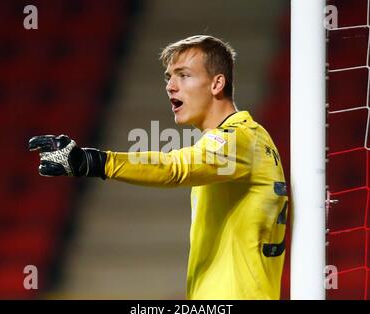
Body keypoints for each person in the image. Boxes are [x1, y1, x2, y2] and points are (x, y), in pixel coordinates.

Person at [29, 35, 288, 300]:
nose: (171, 86)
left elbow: (175, 168)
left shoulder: (238, 140)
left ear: (216, 83)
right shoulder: (251, 139)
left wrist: (92, 162)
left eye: (183, 75)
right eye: (169, 77)